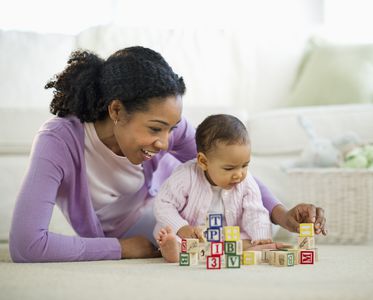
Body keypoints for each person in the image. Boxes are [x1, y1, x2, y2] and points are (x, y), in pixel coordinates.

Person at [9, 46, 326, 263]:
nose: (165, 142)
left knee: (232, 232)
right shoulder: (59, 142)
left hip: (175, 215)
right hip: (134, 231)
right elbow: (27, 245)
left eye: (172, 129)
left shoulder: (170, 129)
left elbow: (231, 168)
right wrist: (120, 248)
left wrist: (282, 214)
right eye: (156, 129)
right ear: (116, 110)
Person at [155, 114, 285, 262]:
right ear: (203, 161)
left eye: (244, 165)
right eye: (229, 168)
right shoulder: (186, 175)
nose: (239, 174)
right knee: (172, 236)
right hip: (192, 235)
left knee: (248, 238)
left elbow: (255, 211)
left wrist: (261, 237)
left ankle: (237, 248)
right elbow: (163, 204)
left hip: (227, 237)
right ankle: (173, 250)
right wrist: (181, 228)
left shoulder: (247, 181)